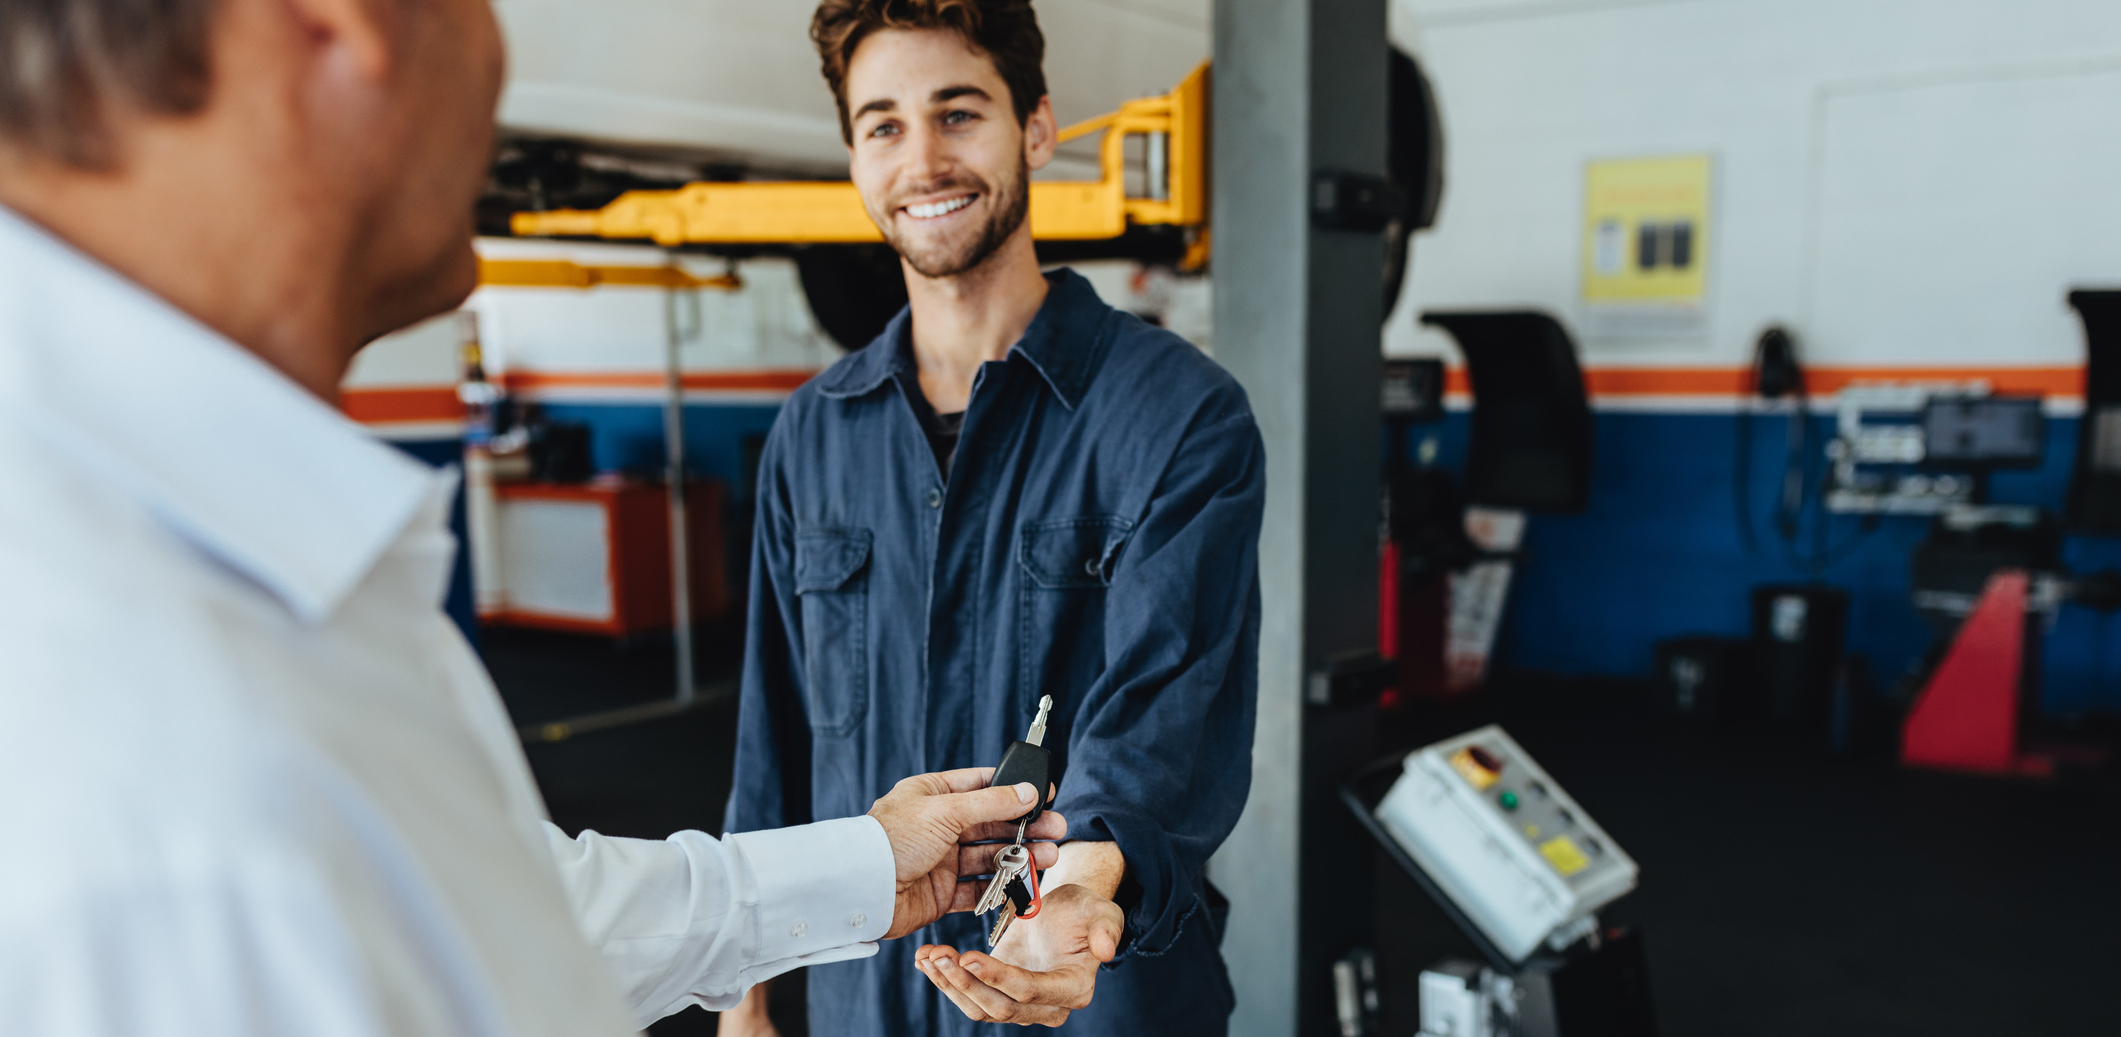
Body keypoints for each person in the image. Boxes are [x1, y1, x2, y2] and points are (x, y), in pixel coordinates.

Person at [0, 0, 1068, 1034]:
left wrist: (863, 864)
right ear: (344, 18)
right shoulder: (148, 754)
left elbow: (503, 915)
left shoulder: (199, 582)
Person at [721, 0, 1265, 1032]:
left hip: (1084, 993)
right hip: (864, 997)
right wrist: (746, 998)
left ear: (1037, 128)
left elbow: (1162, 714)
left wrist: (1079, 887)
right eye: (884, 125)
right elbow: (773, 738)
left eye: (958, 113)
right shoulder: (813, 431)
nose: (922, 160)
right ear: (854, 158)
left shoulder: (1180, 415)